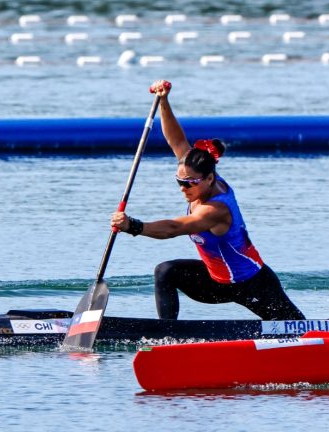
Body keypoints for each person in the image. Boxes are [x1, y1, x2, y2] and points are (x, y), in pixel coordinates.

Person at [111, 80, 306, 320]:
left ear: (210, 178)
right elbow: (176, 141)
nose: (184, 188)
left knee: (301, 329)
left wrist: (133, 226)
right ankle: (169, 334)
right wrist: (164, 101)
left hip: (252, 283)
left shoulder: (216, 209)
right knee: (166, 271)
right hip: (216, 282)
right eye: (179, 181)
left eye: (190, 183)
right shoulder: (199, 171)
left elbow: (175, 228)